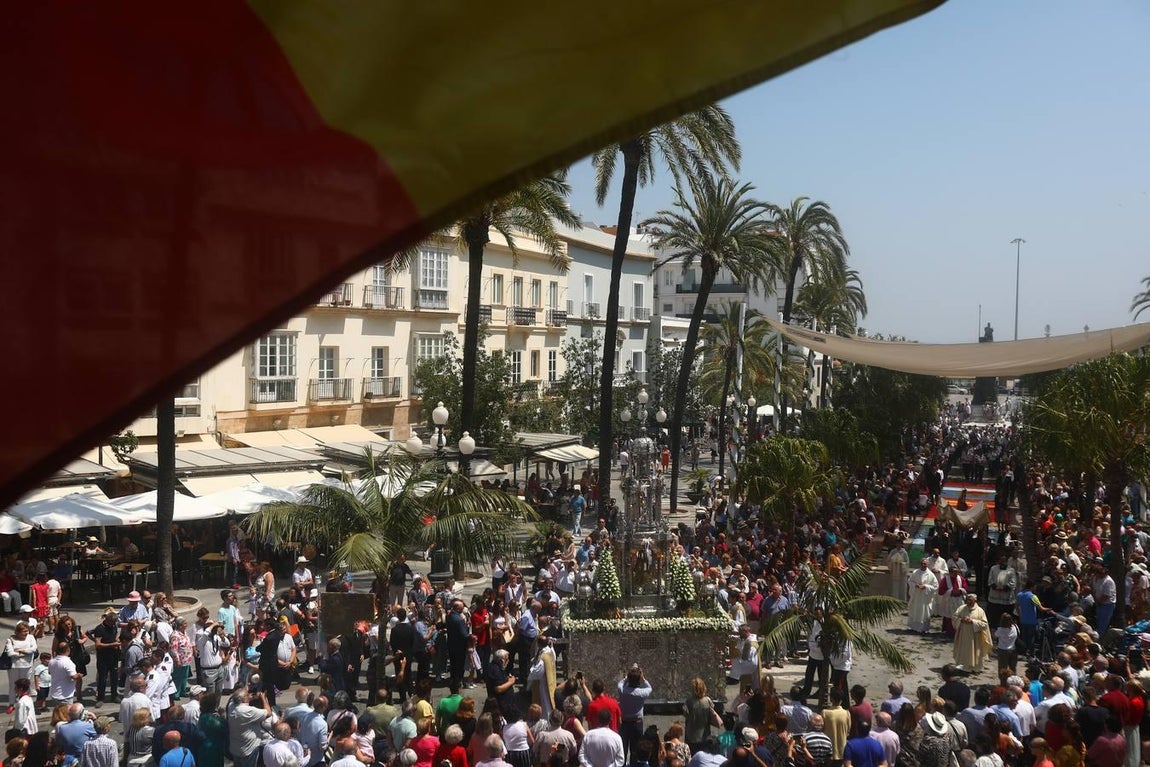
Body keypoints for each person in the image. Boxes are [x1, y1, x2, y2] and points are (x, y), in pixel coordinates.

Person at [617, 664, 651, 761]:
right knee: (635, 750)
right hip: (637, 724)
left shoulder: (622, 690)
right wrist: (643, 678)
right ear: (639, 680)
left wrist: (628, 677)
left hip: (624, 723)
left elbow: (620, 683)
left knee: (623, 749)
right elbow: (649, 688)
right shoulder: (642, 693)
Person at [952, 594, 992, 673]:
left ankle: (975, 667)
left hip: (975, 637)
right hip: (963, 635)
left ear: (975, 601)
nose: (968, 601)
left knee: (975, 651)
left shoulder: (980, 611)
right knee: (963, 650)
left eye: (970, 600)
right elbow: (954, 617)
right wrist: (961, 620)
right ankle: (963, 666)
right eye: (967, 600)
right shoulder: (961, 608)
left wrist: (972, 622)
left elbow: (984, 624)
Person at [4, 622, 37, 714]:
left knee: (26, 685)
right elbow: (10, 653)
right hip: (14, 666)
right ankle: (11, 704)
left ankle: (25, 703)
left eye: (27, 631)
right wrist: (23, 654)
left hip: (27, 665)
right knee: (13, 685)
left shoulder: (31, 637)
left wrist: (21, 651)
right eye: (23, 631)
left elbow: (33, 649)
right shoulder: (10, 639)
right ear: (17, 632)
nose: (26, 633)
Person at [908, 560, 938, 634]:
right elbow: (910, 581)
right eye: (922, 563)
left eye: (925, 564)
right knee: (915, 610)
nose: (923, 565)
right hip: (916, 596)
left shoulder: (930, 574)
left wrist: (926, 586)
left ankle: (923, 628)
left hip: (925, 598)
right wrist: (915, 585)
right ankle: (914, 627)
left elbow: (936, 586)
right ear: (920, 564)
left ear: (927, 564)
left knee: (924, 612)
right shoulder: (915, 572)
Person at [47, 642, 81, 707]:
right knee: (66, 715)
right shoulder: (68, 662)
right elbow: (74, 676)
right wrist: (79, 675)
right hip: (65, 695)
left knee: (58, 714)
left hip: (55, 693)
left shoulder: (52, 661)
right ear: (68, 650)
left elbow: (49, 672)